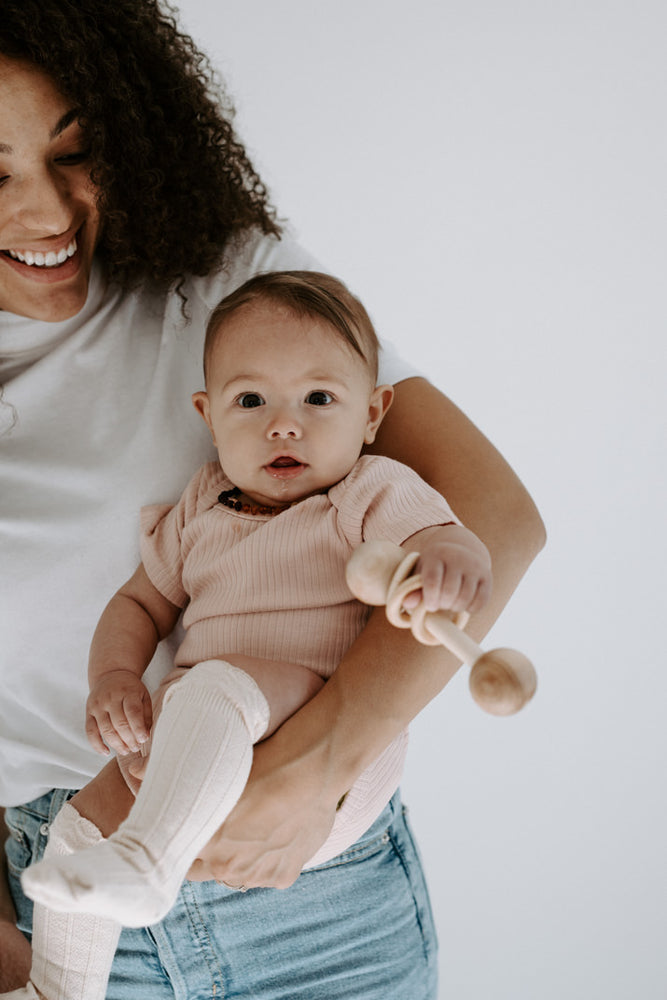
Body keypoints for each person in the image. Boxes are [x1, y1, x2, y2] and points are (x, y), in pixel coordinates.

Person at [0, 2, 546, 998]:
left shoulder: (225, 283)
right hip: (67, 891)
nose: (47, 213)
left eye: (76, 150)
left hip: (317, 894)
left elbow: (492, 518)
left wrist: (316, 770)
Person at [13, 270, 493, 1000]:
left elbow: (446, 536)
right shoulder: (201, 506)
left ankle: (146, 862)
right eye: (250, 401)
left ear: (373, 411)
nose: (283, 423)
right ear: (209, 415)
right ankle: (57, 986)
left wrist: (453, 563)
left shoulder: (366, 493)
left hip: (317, 741)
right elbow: (138, 604)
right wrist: (113, 678)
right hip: (204, 738)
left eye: (318, 399)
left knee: (212, 685)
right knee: (81, 823)